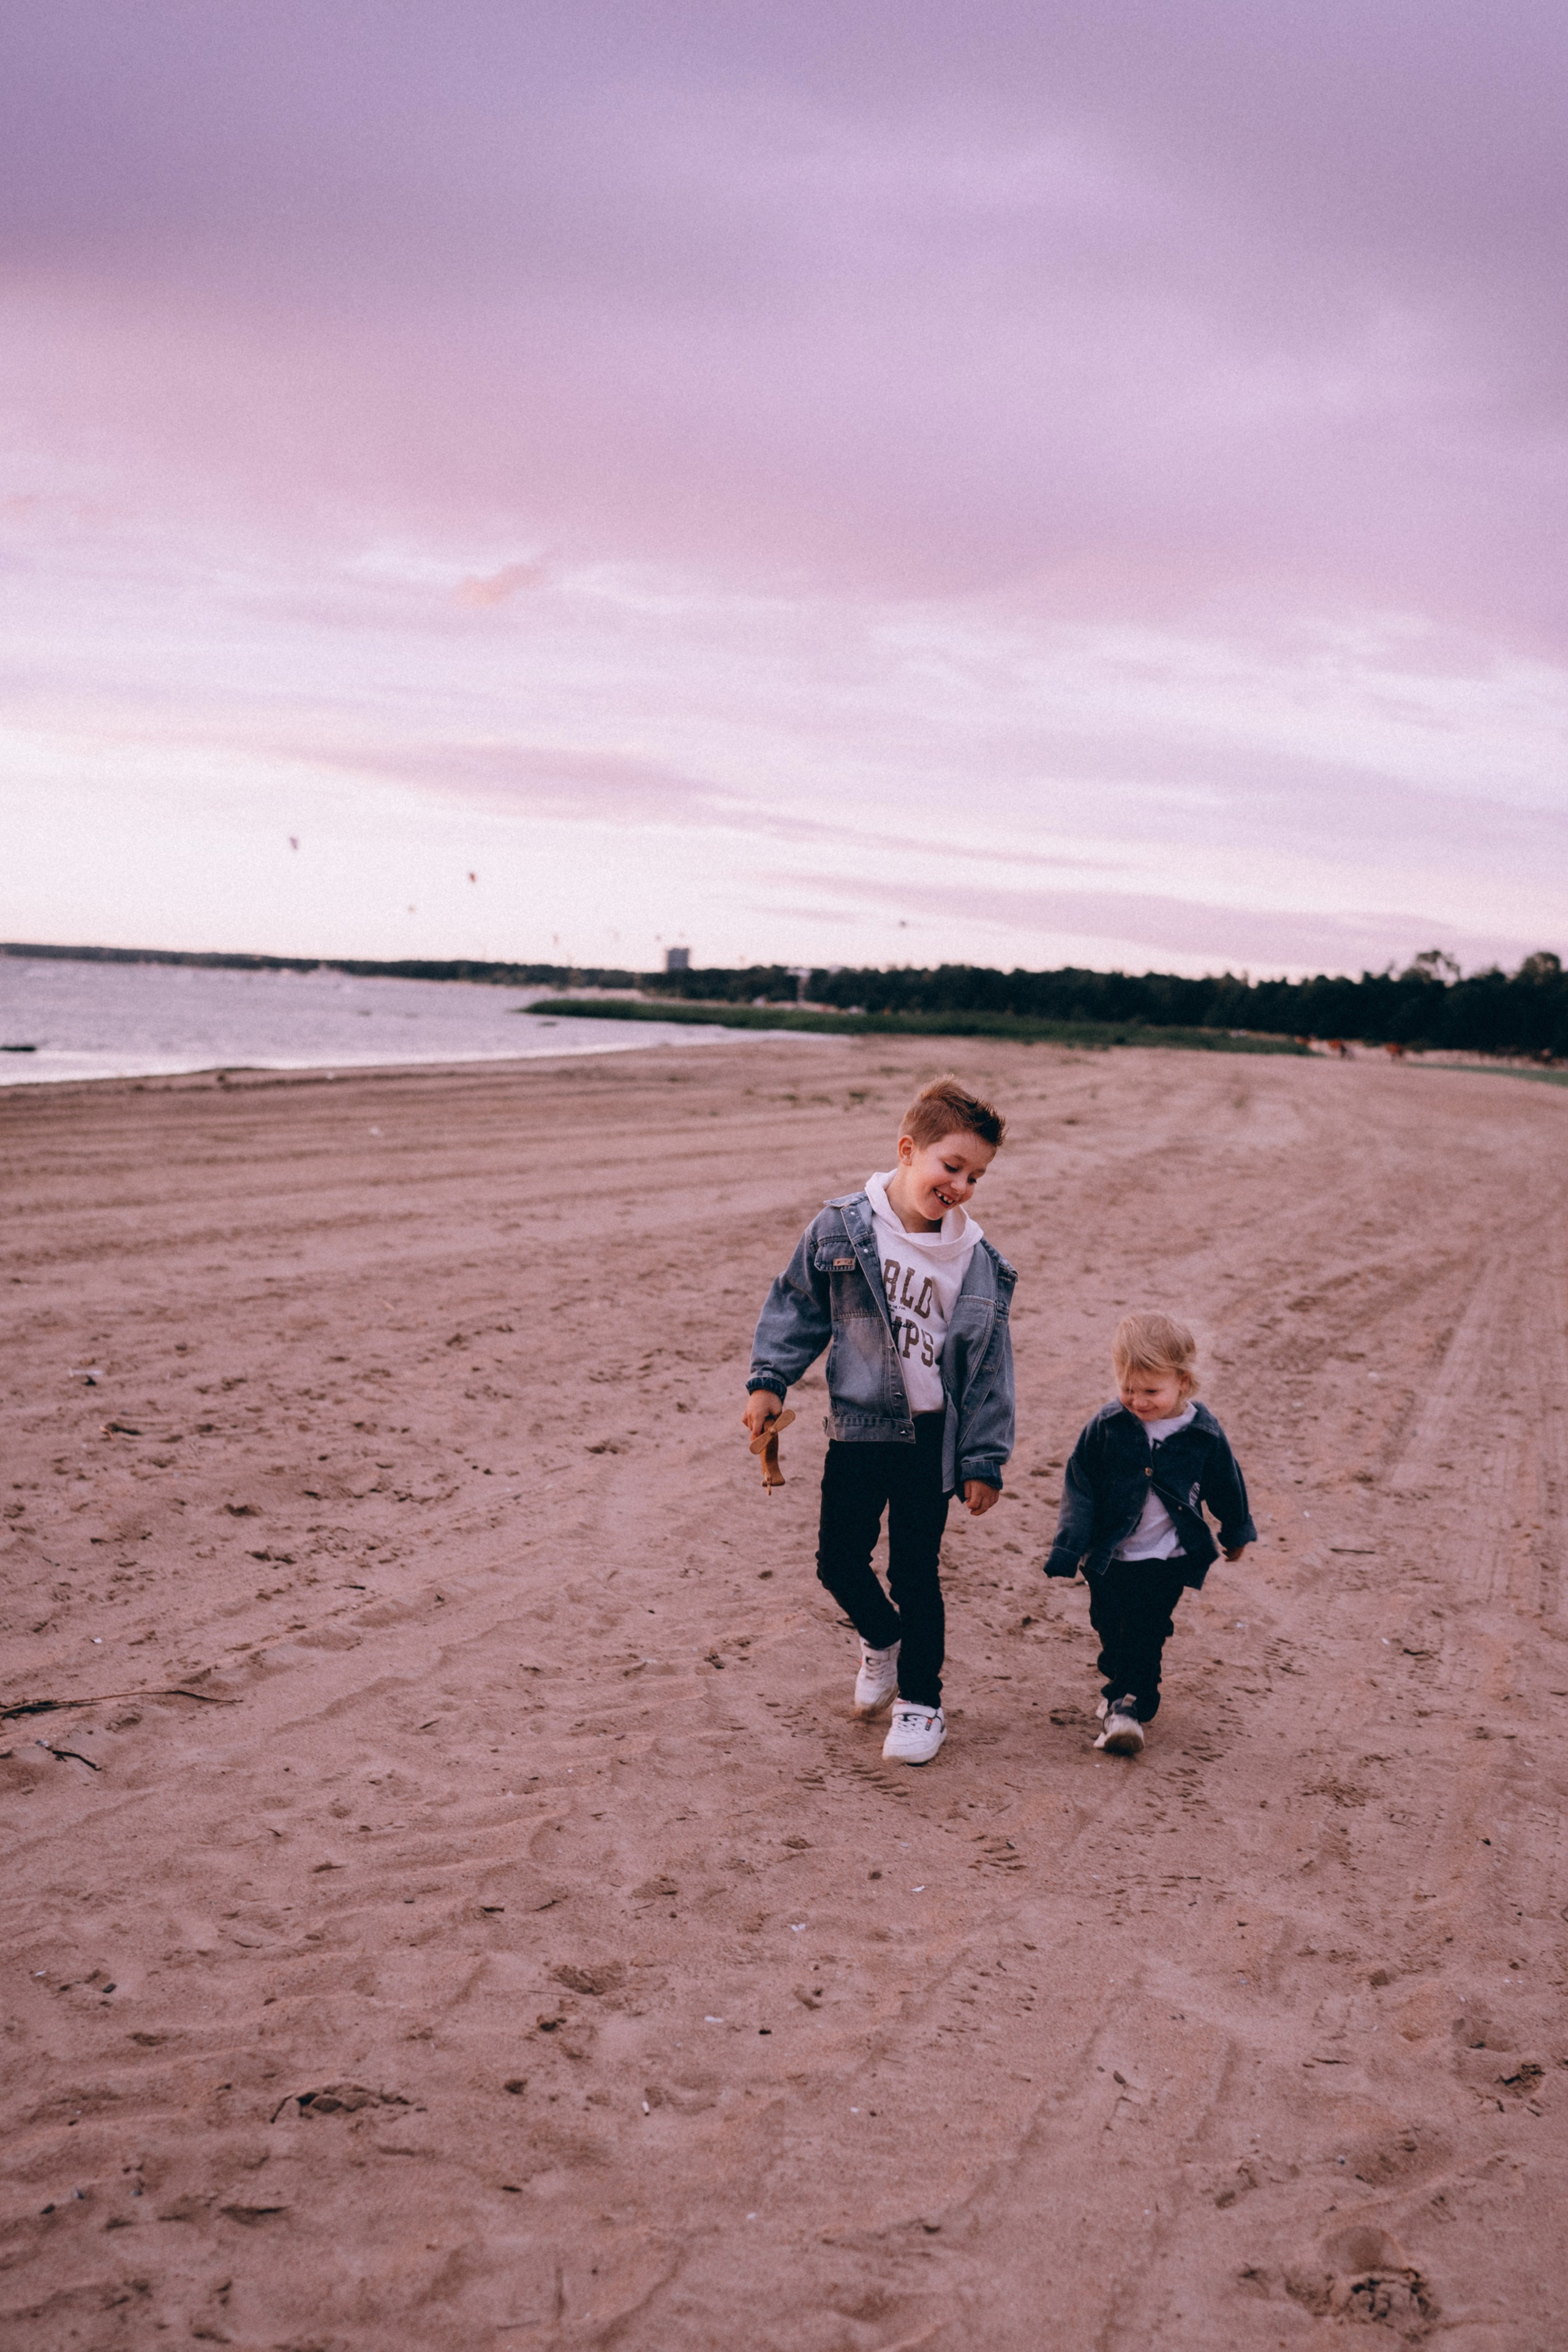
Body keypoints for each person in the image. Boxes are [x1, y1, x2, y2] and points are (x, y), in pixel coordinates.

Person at [742, 1075, 1016, 1765]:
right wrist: (769, 1381)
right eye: (950, 1166)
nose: (960, 1185)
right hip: (859, 1429)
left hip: (931, 1441)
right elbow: (798, 1307)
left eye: (975, 1176)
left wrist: (983, 1460)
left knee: (917, 1571)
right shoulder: (840, 1227)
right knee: (837, 1562)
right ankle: (882, 1638)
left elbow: (989, 1372)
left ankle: (922, 1704)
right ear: (907, 1150)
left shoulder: (977, 1262)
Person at [1042, 1312, 1253, 1755]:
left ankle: (1128, 1705)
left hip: (1168, 1558)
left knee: (1147, 1628)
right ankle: (1124, 1685)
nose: (1137, 1401)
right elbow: (1080, 1486)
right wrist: (1069, 1545)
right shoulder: (1107, 1427)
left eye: (1151, 1391)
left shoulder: (1202, 1434)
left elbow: (1226, 1484)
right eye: (1128, 1389)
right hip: (1109, 1556)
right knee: (1108, 1626)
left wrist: (1235, 1530)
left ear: (1184, 1382)